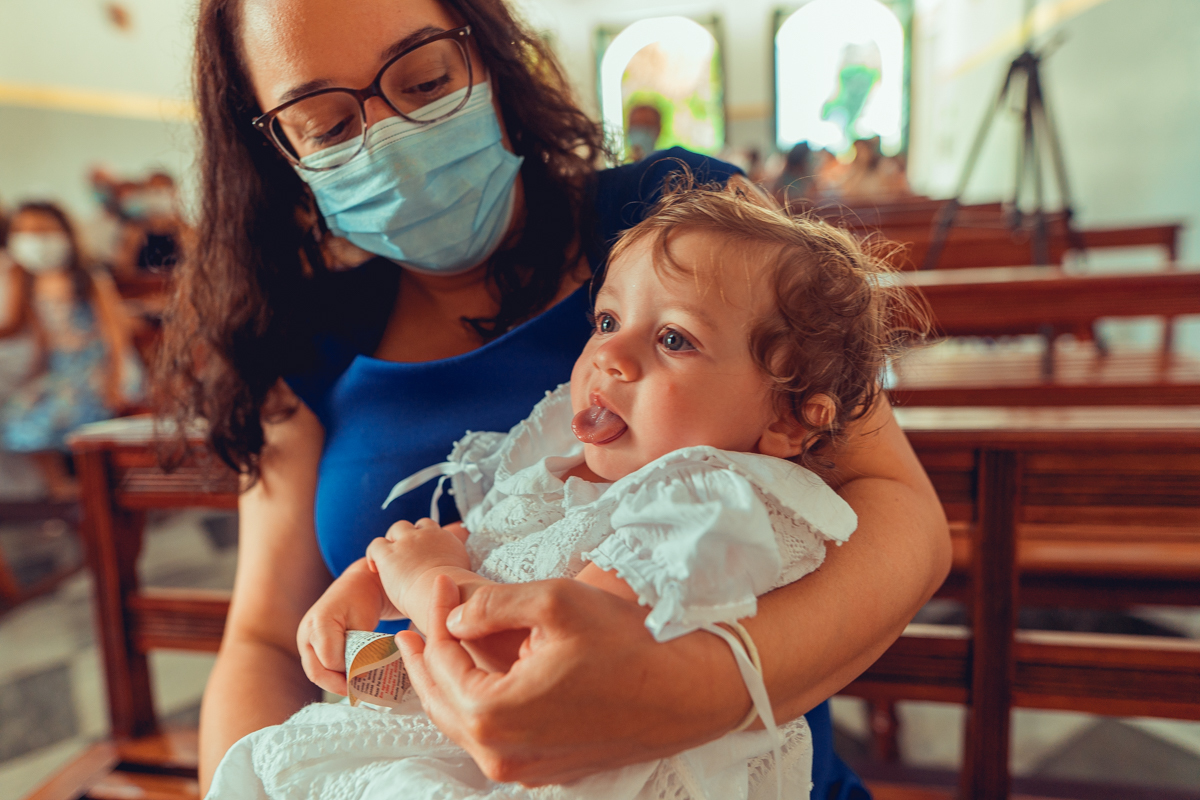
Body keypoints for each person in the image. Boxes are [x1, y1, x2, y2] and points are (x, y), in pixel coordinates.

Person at [159, 0, 951, 795]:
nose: (390, 137)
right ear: (274, 147)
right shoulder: (300, 338)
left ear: (489, 56)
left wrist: (687, 693)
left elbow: (897, 511)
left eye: (426, 79)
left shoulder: (685, 235)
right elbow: (265, 641)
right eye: (328, 125)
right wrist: (371, 661)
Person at [206, 179, 921, 799]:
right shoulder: (569, 466)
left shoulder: (711, 509)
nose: (608, 353)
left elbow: (537, 667)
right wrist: (374, 601)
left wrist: (426, 581)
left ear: (788, 419)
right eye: (608, 320)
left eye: (674, 338)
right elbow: (485, 554)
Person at [1, 202, 136, 499]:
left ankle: (101, 487)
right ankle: (59, 485)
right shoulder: (23, 281)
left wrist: (116, 378)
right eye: (22, 231)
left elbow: (116, 333)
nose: (33, 239)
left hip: (96, 367)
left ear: (65, 233)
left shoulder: (89, 277)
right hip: (57, 370)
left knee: (64, 415)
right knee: (15, 416)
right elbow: (23, 330)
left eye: (42, 230)